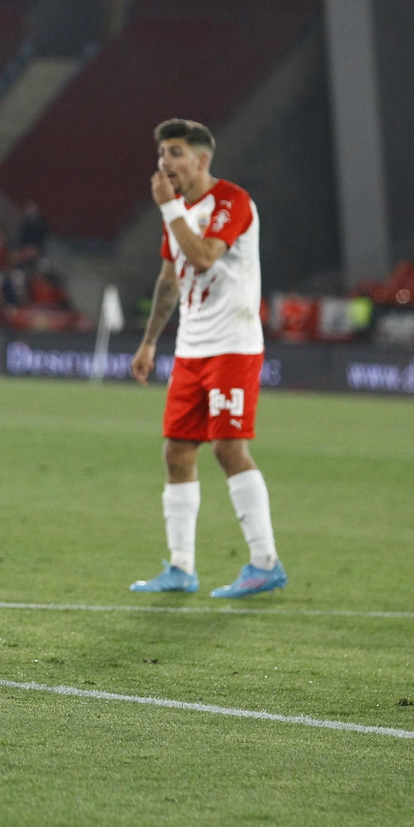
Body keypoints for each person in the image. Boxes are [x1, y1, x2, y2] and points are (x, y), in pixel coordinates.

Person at [128, 118, 286, 599]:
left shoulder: (231, 202)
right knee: (177, 451)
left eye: (174, 152)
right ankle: (181, 568)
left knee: (227, 448)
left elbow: (201, 257)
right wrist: (151, 340)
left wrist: (170, 207)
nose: (164, 162)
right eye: (161, 153)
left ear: (202, 158)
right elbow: (171, 277)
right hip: (192, 348)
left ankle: (265, 562)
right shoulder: (177, 209)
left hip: (234, 345)